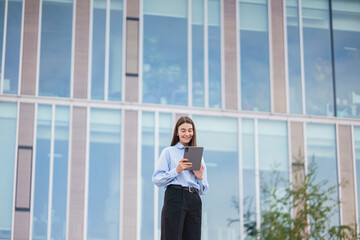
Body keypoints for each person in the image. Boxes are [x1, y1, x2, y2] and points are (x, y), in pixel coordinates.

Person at [152, 116, 209, 240]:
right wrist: (176, 170)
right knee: (172, 236)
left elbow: (204, 190)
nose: (187, 134)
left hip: (194, 199)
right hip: (175, 196)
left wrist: (199, 177)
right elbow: (157, 179)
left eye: (190, 130)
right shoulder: (168, 152)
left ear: (193, 132)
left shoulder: (199, 155)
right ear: (177, 133)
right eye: (183, 130)